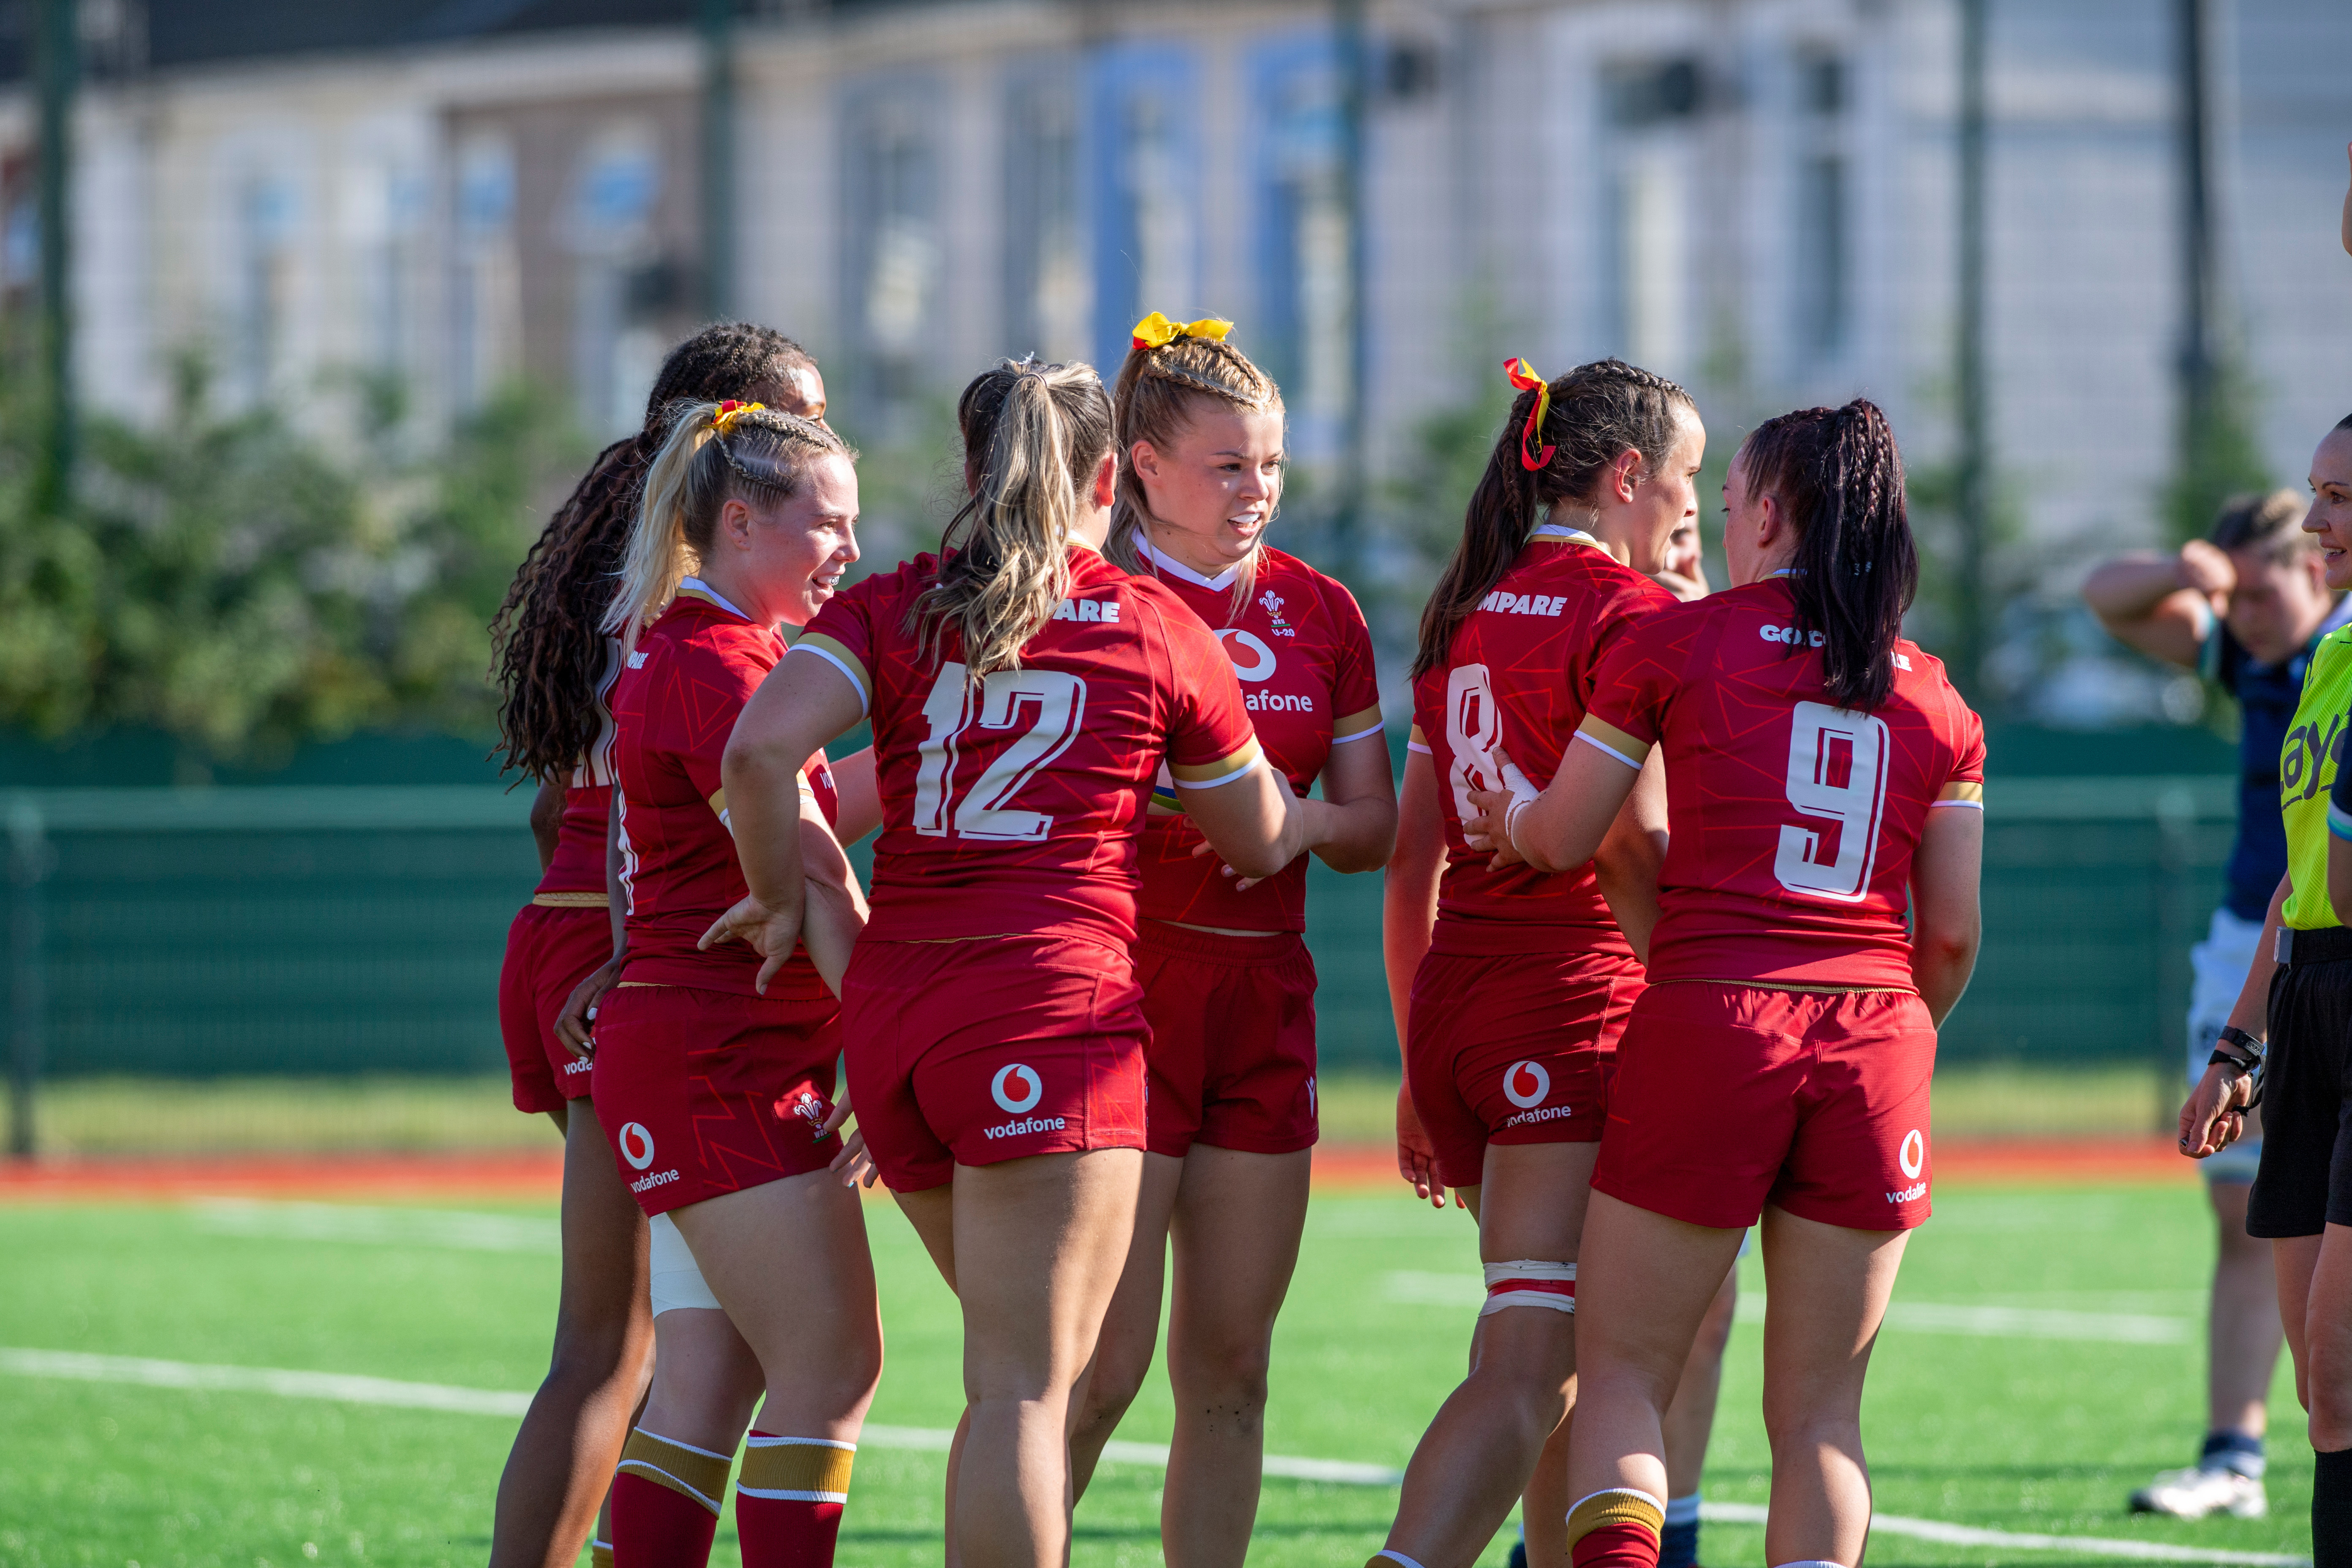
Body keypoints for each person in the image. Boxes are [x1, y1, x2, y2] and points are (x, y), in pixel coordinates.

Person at [709, 358, 1303, 1568]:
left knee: (1010, 1382)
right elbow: (1264, 840)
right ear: (1106, 477)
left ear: (973, 470)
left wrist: (781, 898)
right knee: (1025, 1392)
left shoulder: (896, 604)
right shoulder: (1154, 623)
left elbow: (760, 757)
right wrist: (1343, 822)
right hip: (1051, 1013)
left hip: (899, 1020)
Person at [1468, 399, 1984, 1568]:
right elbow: (1948, 940)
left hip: (1715, 1016)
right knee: (1821, 1421)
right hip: (1875, 1039)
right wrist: (1891, 1040)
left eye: (1735, 494)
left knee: (1624, 1379)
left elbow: (1565, 839)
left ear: (1767, 509)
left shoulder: (1680, 639)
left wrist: (1504, 811)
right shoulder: (1938, 695)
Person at [481, 323, 830, 1568]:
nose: (823, 441)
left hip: (591, 934)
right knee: (619, 1351)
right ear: (733, 432)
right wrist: (625, 961)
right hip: (629, 952)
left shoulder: (629, 563)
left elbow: (551, 805)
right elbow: (688, 791)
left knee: (668, 1356)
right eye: (803, 413)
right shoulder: (689, 587)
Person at [1061, 314, 1396, 1566]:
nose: (1256, 492)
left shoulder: (1323, 611)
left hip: (1264, 997)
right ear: (1141, 464)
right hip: (1120, 1000)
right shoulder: (1094, 598)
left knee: (1233, 1374)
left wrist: (1270, 821)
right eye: (1227, 465)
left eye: (1271, 466)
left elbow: (1374, 827)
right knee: (1098, 1372)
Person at [1374, 357, 1699, 1568]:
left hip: (1468, 1001)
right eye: (1683, 479)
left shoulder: (1468, 607)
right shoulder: (1630, 618)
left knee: (1564, 1356)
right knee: (1532, 1366)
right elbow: (1634, 841)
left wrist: (1418, 1060)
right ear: (1626, 476)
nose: (1688, 506)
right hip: (1572, 1007)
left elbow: (1414, 867)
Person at [566, 398, 882, 1568]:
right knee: (833, 1366)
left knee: (709, 1384)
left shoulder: (702, 647)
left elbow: (788, 825)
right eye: (828, 525)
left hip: (694, 1047)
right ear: (741, 523)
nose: (850, 551)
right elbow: (812, 870)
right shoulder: (721, 664)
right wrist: (895, 1061)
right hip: (719, 1057)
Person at [2082, 486, 2347, 1517]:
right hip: (2264, 939)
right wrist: (2199, 571)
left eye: (2258, 587)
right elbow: (2108, 597)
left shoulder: (2340, 640)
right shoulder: (2257, 654)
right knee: (2247, 1205)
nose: (2242, 614)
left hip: (2334, 943)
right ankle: (2237, 1447)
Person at [2184, 413, 2352, 1568]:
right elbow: (2303, 880)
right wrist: (2241, 1050)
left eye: (2341, 499)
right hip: (2312, 1013)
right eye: (2317, 494)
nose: (2321, 521)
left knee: (2343, 1368)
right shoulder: (2330, 655)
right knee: (2324, 1396)